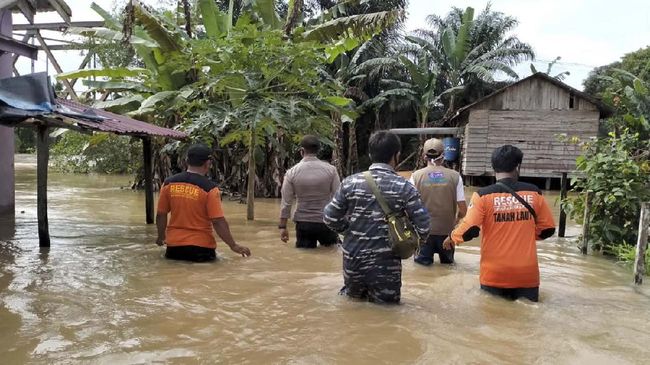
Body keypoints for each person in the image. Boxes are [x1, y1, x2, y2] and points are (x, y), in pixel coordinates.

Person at [324, 131, 430, 304]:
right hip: (387, 266)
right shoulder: (404, 187)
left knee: (352, 310)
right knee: (387, 316)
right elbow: (424, 227)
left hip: (353, 261)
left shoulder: (349, 182)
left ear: (371, 154)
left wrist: (349, 231)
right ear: (397, 155)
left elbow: (329, 217)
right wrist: (408, 244)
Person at [443, 145, 556, 302]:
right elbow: (548, 229)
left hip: (494, 273)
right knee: (527, 322)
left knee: (492, 319)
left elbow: (470, 230)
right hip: (526, 274)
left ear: (493, 167)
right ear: (518, 166)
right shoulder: (534, 193)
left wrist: (451, 237)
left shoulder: (482, 196)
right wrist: (524, 235)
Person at [156, 144, 251, 262]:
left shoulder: (168, 184)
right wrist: (233, 245)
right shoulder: (210, 189)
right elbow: (217, 221)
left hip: (174, 248)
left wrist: (161, 237)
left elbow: (161, 214)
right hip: (201, 249)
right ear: (208, 163)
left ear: (186, 161)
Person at [409, 138, 467, 266]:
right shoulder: (455, 176)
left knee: (422, 273)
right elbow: (463, 210)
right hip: (447, 234)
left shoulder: (415, 176)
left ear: (424, 156)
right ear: (443, 155)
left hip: (423, 233)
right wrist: (456, 220)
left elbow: (409, 207)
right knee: (448, 269)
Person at [279, 135, 341, 248]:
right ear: (318, 150)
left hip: (304, 223)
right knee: (330, 254)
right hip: (326, 222)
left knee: (305, 258)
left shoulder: (291, 173)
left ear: (302, 151)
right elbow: (339, 197)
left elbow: (286, 202)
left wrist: (283, 227)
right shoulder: (331, 170)